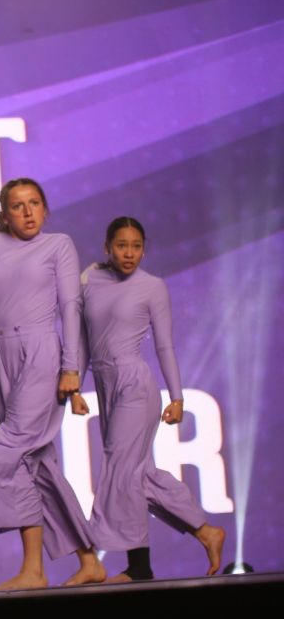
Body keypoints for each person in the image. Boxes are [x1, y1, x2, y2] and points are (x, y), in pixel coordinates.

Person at [71, 216, 224, 581]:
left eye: (136, 246)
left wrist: (177, 396)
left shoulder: (152, 286)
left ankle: (111, 559)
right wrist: (74, 387)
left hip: (136, 387)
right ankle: (204, 532)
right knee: (139, 476)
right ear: (108, 247)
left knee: (119, 470)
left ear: (144, 248)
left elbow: (165, 344)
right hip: (105, 386)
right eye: (122, 245)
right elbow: (81, 340)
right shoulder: (90, 280)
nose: (129, 253)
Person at [0, 178, 106, 590]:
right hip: (0, 351)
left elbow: (71, 306)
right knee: (37, 463)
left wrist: (71, 367)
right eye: (18, 206)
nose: (28, 212)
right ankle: (89, 561)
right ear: (5, 213)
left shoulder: (58, 245)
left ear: (46, 209)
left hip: (43, 353)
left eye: (35, 204)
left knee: (2, 453)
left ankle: (33, 570)